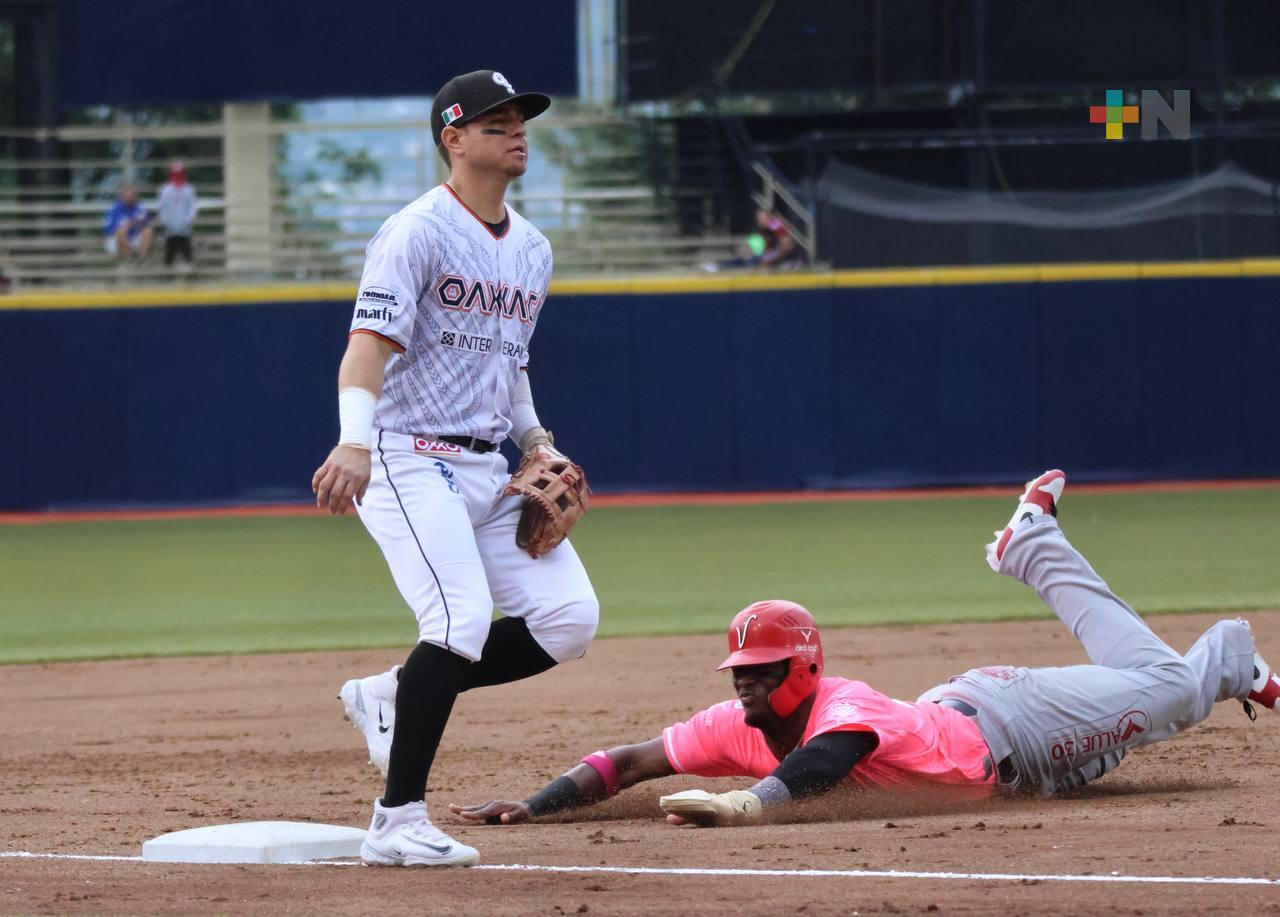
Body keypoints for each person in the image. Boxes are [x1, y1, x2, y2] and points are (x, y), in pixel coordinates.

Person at [451, 470, 1279, 829]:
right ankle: (1031, 545)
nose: (745, 688)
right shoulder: (737, 724)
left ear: (804, 667)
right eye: (740, 673)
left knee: (1172, 691)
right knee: (1149, 684)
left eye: (761, 672)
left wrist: (748, 805)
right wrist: (534, 804)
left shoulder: (841, 706)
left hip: (1015, 722)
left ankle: (1230, 653)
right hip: (1018, 759)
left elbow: (827, 760)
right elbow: (629, 762)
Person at [310, 69, 599, 868]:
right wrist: (354, 441)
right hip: (405, 453)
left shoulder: (532, 248)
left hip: (486, 466)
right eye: (497, 122)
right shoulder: (416, 231)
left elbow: (511, 366)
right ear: (454, 138)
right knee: (458, 622)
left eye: (522, 121)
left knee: (569, 617)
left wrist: (537, 440)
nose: (518, 133)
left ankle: (391, 693)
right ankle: (396, 821)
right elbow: (366, 348)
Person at [156, 161, 198, 270]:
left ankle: (188, 263)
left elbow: (192, 207)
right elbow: (162, 207)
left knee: (185, 242)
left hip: (184, 223)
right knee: (171, 244)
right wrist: (164, 220)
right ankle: (168, 266)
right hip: (170, 223)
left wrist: (189, 219)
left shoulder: (189, 189)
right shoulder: (165, 190)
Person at [102, 184, 153, 261]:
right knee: (120, 231)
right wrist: (125, 227)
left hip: (134, 238)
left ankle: (142, 259)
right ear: (121, 197)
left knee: (148, 231)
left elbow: (147, 223)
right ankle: (129, 259)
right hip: (115, 240)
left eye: (131, 195)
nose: (129, 198)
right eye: (127, 196)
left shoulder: (140, 207)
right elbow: (108, 230)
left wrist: (134, 224)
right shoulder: (114, 209)